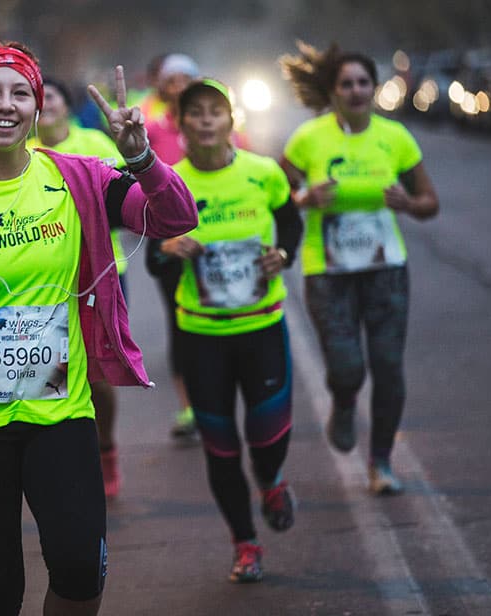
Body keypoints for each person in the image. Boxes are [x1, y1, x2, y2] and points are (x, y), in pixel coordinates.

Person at [0, 41, 196, 615]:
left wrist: (145, 158)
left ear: (36, 107)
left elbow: (176, 218)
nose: (6, 104)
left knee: (81, 570)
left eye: (20, 92)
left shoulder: (80, 178)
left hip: (60, 413)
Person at [279, 42, 439, 495]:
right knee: (347, 367)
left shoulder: (395, 137)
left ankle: (381, 462)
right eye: (345, 84)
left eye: (362, 83)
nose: (355, 91)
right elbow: (275, 199)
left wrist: (408, 203)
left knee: (388, 366)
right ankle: (345, 400)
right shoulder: (309, 139)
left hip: (386, 268)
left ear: (374, 87)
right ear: (331, 91)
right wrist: (304, 198)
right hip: (326, 272)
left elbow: (431, 203)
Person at [161, 78, 303, 583]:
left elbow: (291, 225)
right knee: (220, 446)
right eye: (194, 112)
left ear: (230, 121)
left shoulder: (263, 173)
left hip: (261, 326)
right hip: (201, 336)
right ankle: (245, 544)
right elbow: (155, 260)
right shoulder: (170, 183)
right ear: (181, 124)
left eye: (214, 111)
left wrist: (281, 254)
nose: (204, 120)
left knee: (267, 437)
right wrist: (169, 250)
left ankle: (271, 479)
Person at [142, 53, 255, 442]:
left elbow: (246, 168)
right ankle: (190, 404)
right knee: (180, 320)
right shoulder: (151, 126)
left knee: (229, 311)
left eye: (185, 79)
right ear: (161, 86)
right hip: (172, 235)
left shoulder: (222, 125)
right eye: (170, 80)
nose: (177, 86)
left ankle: (235, 394)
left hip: (221, 232)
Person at [31, 76, 126, 499]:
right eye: (37, 98)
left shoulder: (97, 146)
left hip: (102, 273)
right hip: (40, 277)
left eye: (51, 96)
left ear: (67, 106)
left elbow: (128, 205)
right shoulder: (16, 154)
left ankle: (105, 450)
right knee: (44, 375)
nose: (44, 103)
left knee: (95, 377)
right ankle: (55, 468)